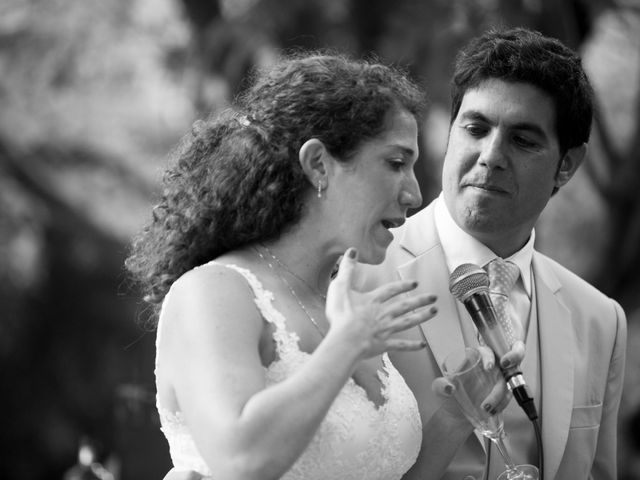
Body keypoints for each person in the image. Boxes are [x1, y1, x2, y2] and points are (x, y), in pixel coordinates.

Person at [125, 53, 511, 480]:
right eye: (396, 163)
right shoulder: (213, 292)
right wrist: (345, 345)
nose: (415, 194)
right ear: (318, 165)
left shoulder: (347, 306)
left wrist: (457, 415)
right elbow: (241, 460)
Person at [361, 27, 627, 480]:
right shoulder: (359, 275)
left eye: (523, 140)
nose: (490, 155)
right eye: (476, 128)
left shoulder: (600, 320)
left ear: (567, 164)